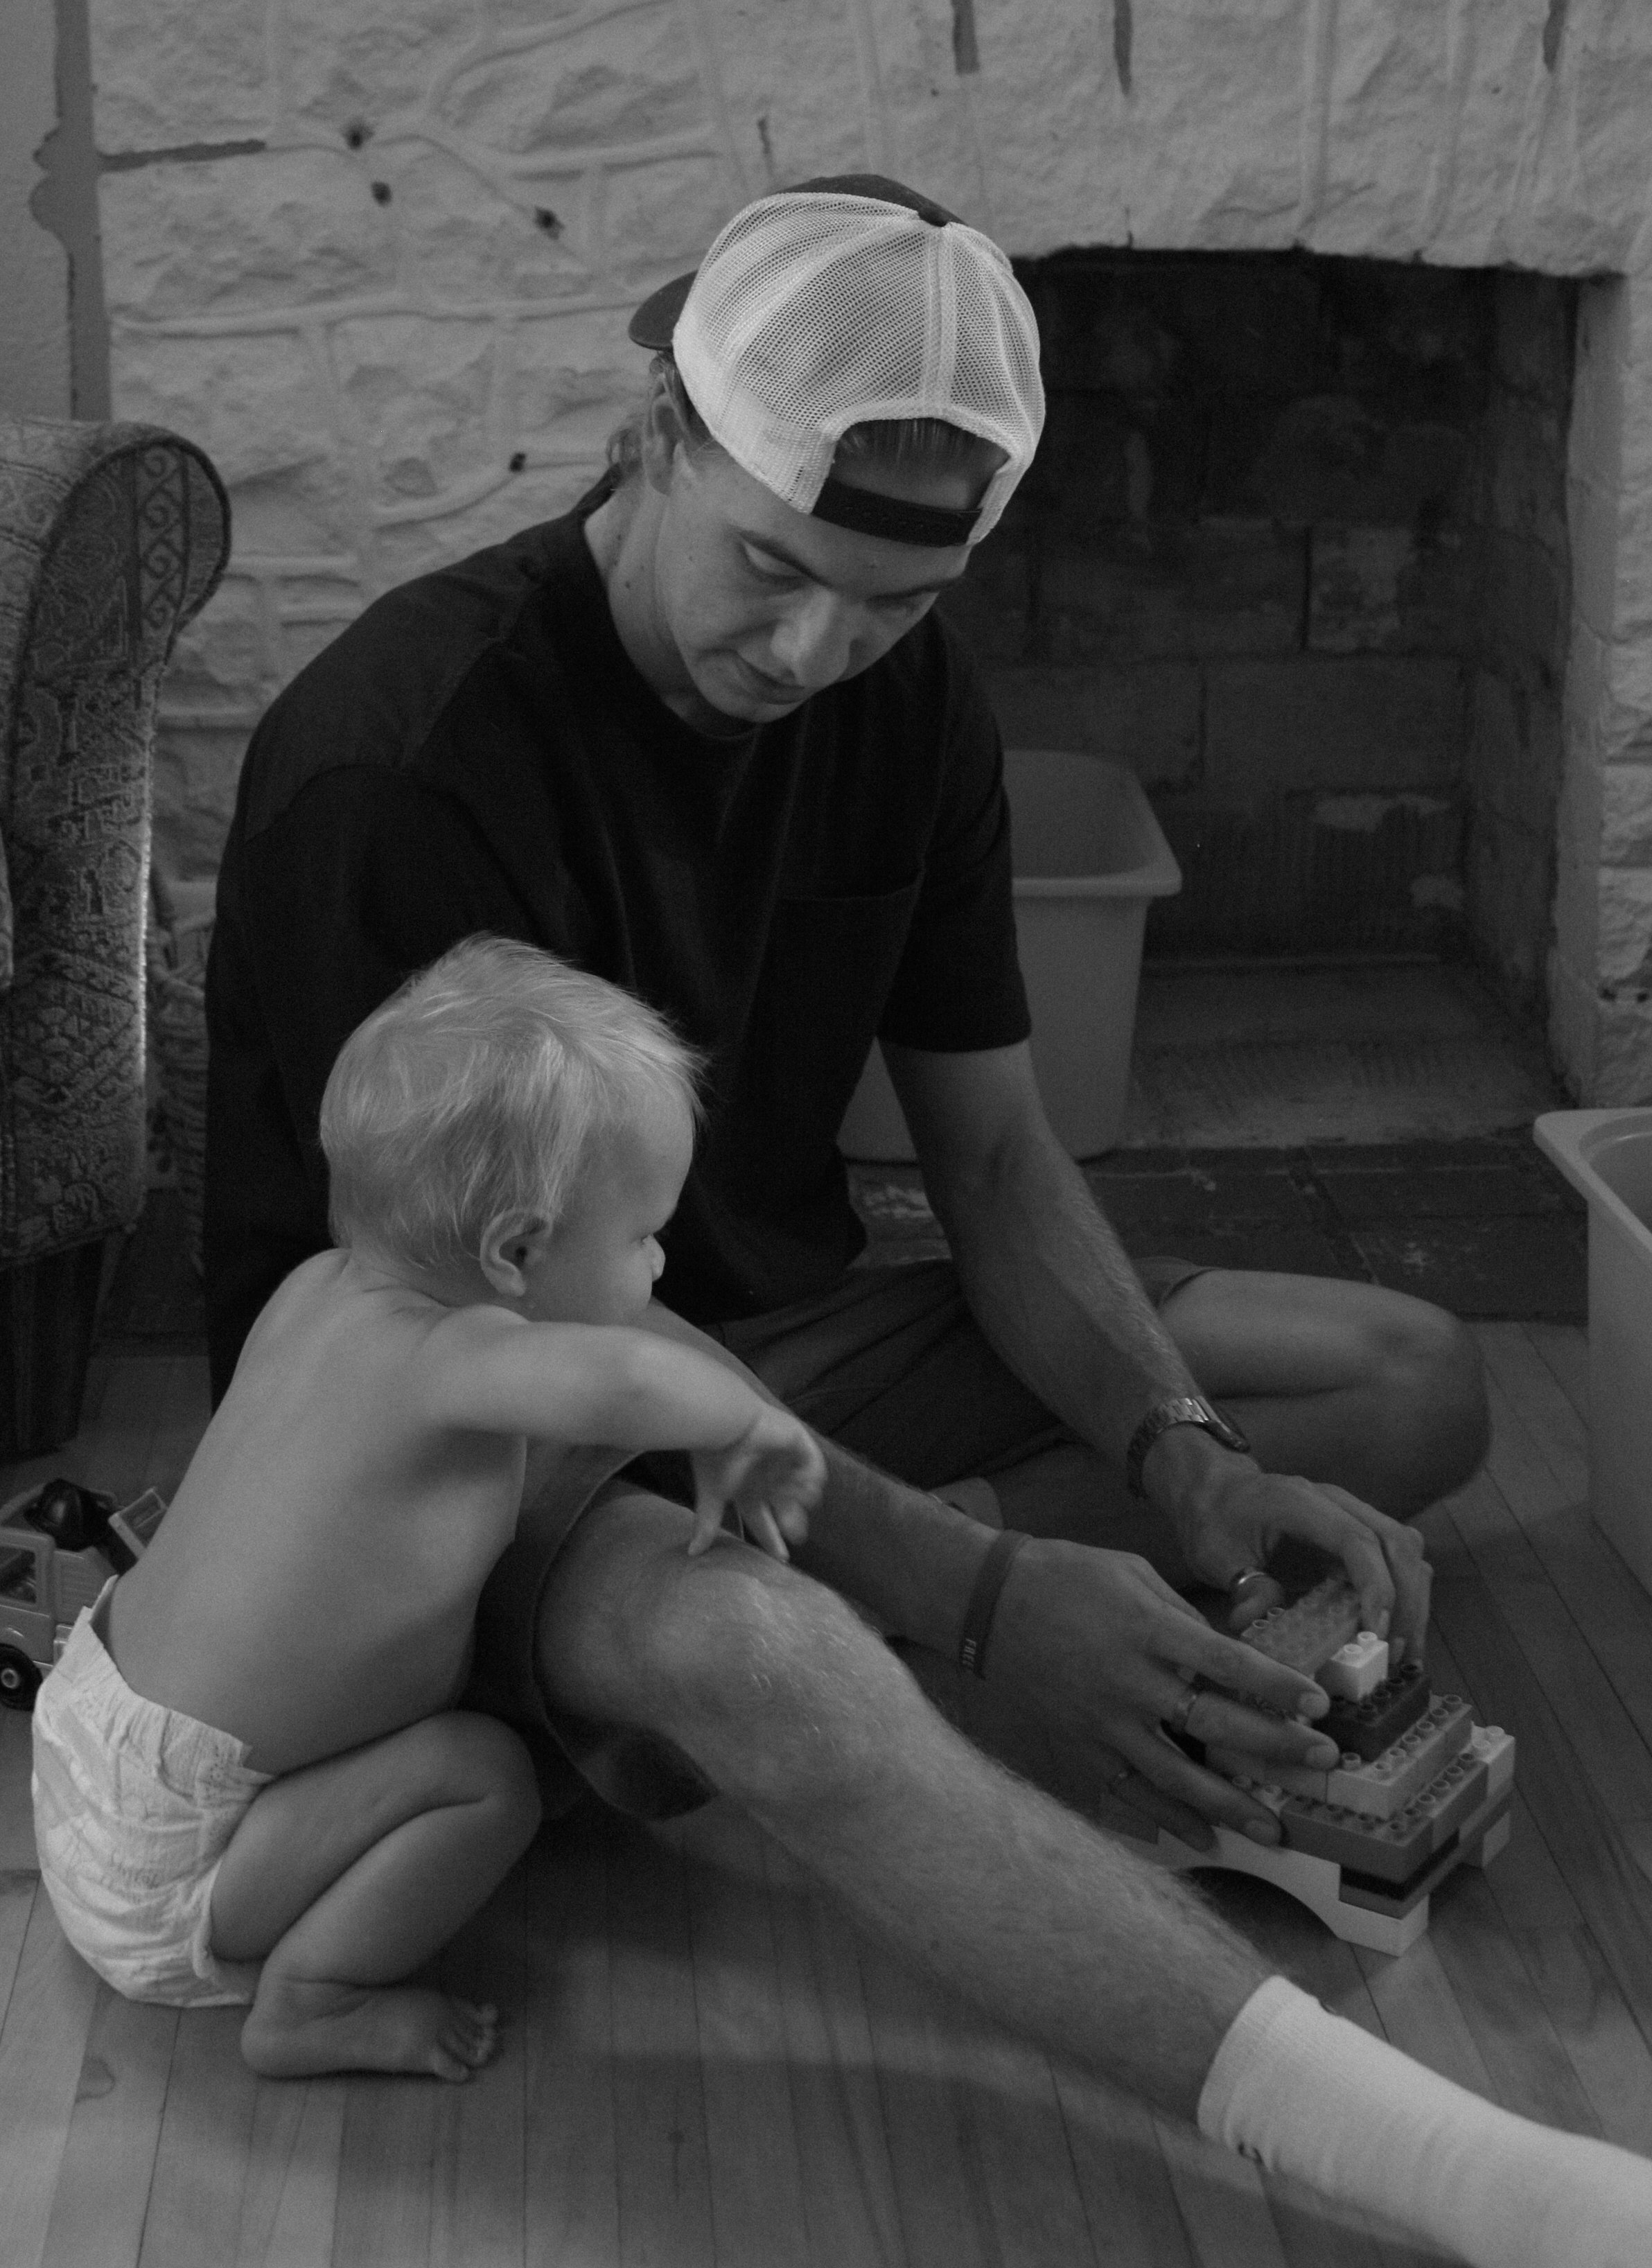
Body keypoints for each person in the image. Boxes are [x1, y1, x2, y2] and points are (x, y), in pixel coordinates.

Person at [204, 175, 1652, 2257]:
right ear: (660, 436)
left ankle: (874, 1664)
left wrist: (1185, 1464)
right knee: (757, 1657)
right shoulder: (403, 765)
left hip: (773, 1342)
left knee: (1399, 1387)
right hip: (467, 1423)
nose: (814, 655)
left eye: (887, 608)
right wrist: (977, 1595)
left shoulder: (903, 708)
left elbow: (988, 1157)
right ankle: (1465, 2172)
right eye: (775, 575)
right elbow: (484, 1346)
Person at [31, 938, 825, 2080]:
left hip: (88, 1739)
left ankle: (313, 1923)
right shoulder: (449, 1361)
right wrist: (745, 1423)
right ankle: (315, 1999)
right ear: (515, 1253)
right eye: (647, 1233)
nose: (658, 1267)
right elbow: (618, 1376)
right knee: (487, 1776)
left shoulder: (317, 1293)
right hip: (178, 1864)